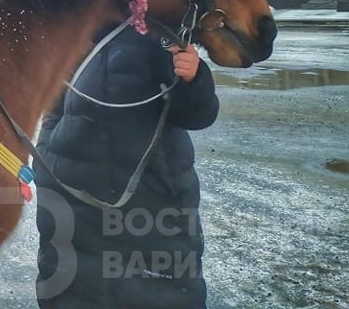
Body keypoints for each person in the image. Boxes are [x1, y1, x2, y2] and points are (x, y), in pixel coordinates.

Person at [34, 25, 219, 308]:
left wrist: (194, 77)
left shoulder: (161, 31)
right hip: (76, 205)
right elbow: (55, 103)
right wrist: (48, 157)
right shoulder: (79, 27)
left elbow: (197, 114)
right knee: (74, 292)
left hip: (152, 202)